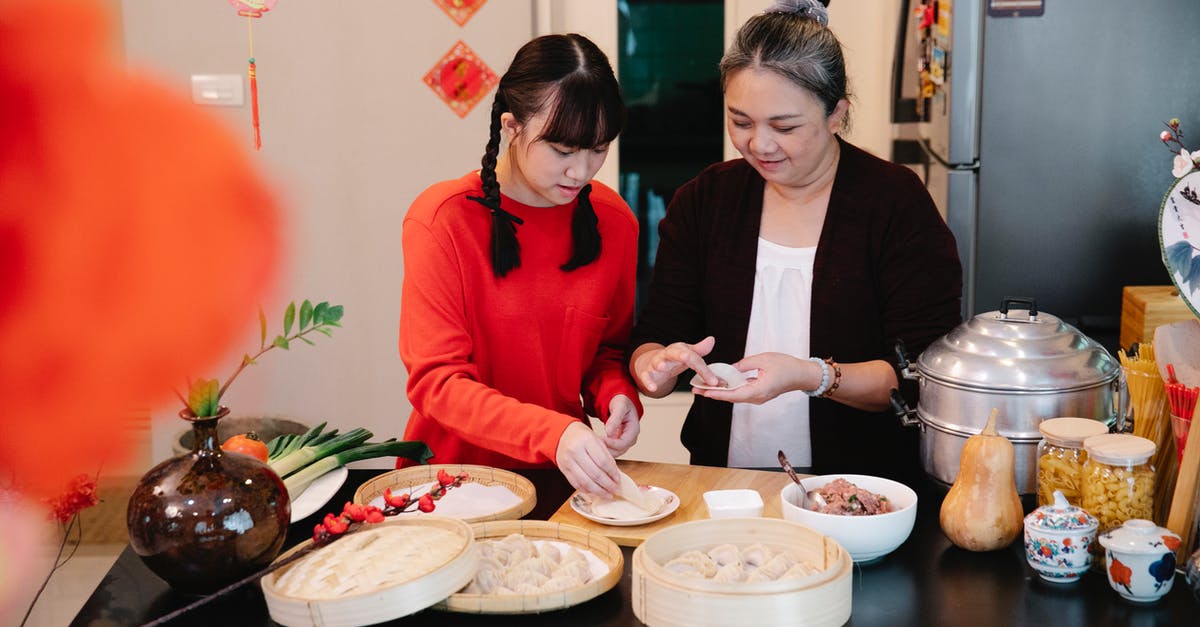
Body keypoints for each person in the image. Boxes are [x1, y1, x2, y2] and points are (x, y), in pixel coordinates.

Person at [627, 0, 962, 483]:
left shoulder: (894, 203)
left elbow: (922, 376)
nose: (759, 144)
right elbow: (655, 334)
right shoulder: (706, 200)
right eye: (740, 121)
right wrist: (653, 367)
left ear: (835, 114)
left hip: (857, 492)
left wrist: (812, 375)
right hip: (724, 483)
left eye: (783, 127)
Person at [400, 34, 643, 496]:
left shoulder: (615, 223)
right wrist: (553, 433)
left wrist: (616, 396)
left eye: (598, 149)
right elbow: (437, 382)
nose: (582, 171)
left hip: (563, 483)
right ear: (512, 126)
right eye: (563, 150)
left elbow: (605, 354)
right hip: (449, 488)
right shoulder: (442, 219)